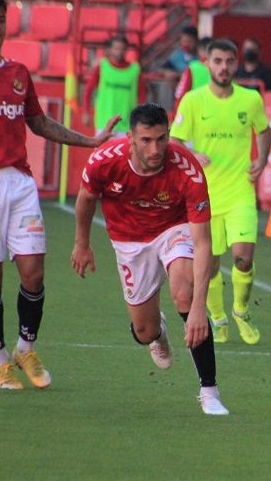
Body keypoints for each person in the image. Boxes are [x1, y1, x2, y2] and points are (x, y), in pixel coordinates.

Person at [0, 0, 120, 390]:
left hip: (19, 182)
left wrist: (90, 141)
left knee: (33, 271)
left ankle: (25, 347)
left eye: (0, 19)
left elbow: (38, 122)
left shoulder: (18, 72)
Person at [71, 102, 229, 415]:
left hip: (174, 228)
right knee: (144, 332)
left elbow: (203, 242)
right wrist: (82, 243)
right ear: (130, 138)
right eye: (146, 140)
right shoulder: (105, 161)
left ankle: (209, 391)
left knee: (184, 292)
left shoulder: (187, 169)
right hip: (129, 240)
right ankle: (159, 333)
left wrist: (198, 307)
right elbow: (86, 199)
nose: (155, 148)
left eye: (161, 138)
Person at [171, 39, 271, 345]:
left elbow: (264, 131)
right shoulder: (193, 100)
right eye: (217, 61)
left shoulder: (250, 99)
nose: (224, 67)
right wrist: (193, 155)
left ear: (236, 63)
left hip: (240, 190)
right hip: (204, 195)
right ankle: (218, 316)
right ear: (207, 64)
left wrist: (263, 159)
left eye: (229, 61)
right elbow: (174, 141)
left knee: (243, 258)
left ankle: (241, 310)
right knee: (210, 263)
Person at [83, 35, 147, 135]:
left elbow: (142, 94)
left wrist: (139, 116)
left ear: (127, 50)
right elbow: (89, 89)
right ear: (111, 50)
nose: (119, 52)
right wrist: (86, 111)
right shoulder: (102, 66)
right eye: (117, 49)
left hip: (126, 123)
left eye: (122, 49)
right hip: (104, 122)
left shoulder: (135, 70)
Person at [172, 36, 212, 113]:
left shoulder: (193, 68)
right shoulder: (222, 69)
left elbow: (181, 94)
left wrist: (176, 117)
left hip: (195, 113)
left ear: (199, 50)